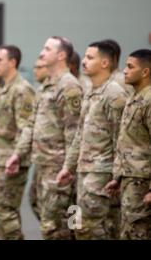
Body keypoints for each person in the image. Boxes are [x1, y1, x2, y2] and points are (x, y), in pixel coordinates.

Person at [8, 36, 83, 240]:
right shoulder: (46, 86)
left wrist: (68, 168)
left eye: (47, 48)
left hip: (58, 168)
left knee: (55, 227)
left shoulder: (69, 86)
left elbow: (75, 132)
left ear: (60, 55)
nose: (42, 52)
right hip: (42, 165)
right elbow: (31, 125)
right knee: (46, 219)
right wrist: (17, 154)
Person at [56, 41, 127, 239]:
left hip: (102, 173)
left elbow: (121, 138)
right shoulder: (91, 92)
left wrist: (117, 177)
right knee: (82, 226)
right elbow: (80, 134)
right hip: (85, 171)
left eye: (90, 58)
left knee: (89, 227)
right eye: (85, 57)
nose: (84, 61)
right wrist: (68, 167)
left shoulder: (114, 94)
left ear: (104, 63)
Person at [0, 45, 35, 239]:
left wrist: (17, 155)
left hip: (10, 161)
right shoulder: (5, 90)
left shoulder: (22, 90)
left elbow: (27, 127)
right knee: (1, 213)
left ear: (12, 62)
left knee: (3, 213)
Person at [105, 49, 151, 240]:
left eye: (130, 67)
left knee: (138, 233)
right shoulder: (134, 97)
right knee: (128, 232)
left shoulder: (148, 100)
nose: (124, 71)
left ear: (145, 72)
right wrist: (118, 176)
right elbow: (129, 141)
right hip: (130, 179)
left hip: (143, 182)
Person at [28, 57, 49, 221]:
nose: (35, 70)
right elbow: (30, 125)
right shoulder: (41, 91)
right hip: (42, 159)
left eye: (40, 67)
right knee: (36, 203)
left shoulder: (69, 88)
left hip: (57, 162)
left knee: (60, 217)